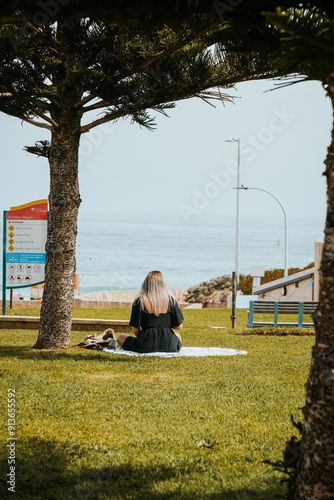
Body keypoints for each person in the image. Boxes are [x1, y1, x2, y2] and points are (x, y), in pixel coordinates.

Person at [117, 271, 183, 353]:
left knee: (120, 337)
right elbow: (179, 327)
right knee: (178, 336)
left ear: (146, 284)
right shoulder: (172, 301)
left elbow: (135, 330)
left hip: (145, 345)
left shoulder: (140, 301)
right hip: (170, 346)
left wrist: (144, 336)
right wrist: (165, 326)